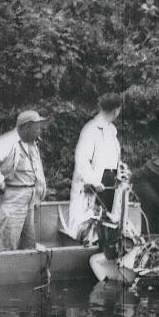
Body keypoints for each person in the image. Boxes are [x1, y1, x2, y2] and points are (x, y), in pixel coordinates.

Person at [0, 109, 48, 251]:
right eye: (37, 127)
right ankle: (6, 270)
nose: (40, 130)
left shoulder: (32, 143)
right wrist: (0, 184)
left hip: (29, 198)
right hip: (13, 197)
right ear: (26, 127)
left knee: (29, 242)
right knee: (9, 242)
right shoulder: (7, 142)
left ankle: (26, 271)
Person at [67, 93, 122, 239]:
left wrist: (121, 172)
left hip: (108, 186)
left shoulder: (111, 130)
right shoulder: (90, 129)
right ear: (116, 110)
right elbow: (82, 161)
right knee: (85, 225)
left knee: (106, 224)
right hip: (91, 188)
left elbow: (113, 159)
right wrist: (93, 182)